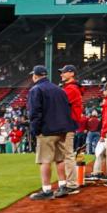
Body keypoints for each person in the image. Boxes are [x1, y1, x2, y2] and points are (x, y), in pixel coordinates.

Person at [27, 64, 74, 200]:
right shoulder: (59, 90)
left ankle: (46, 190)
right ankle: (63, 186)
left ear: (35, 76)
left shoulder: (36, 89)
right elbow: (67, 110)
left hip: (46, 131)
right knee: (60, 159)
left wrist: (35, 130)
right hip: (61, 130)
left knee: (45, 160)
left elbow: (35, 112)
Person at [59, 64, 84, 194]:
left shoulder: (71, 89)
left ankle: (72, 184)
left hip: (68, 124)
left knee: (68, 155)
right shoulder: (70, 88)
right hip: (67, 124)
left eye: (64, 72)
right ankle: (69, 182)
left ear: (71, 74)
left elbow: (58, 104)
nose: (61, 74)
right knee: (66, 155)